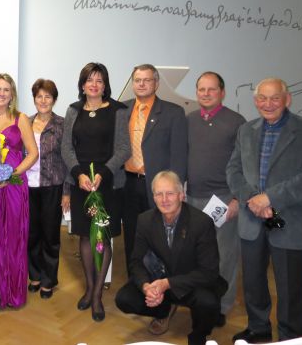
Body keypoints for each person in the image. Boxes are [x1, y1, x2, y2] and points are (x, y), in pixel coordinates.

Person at [227, 77, 302, 342]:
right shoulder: (245, 130)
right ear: (255, 101)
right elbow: (233, 170)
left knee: (290, 288)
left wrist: (270, 198)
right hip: (252, 220)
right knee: (253, 283)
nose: (268, 104)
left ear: (287, 99)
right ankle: (258, 329)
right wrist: (253, 199)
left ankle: (290, 338)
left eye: (275, 98)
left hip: (290, 221)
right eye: (262, 98)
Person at [115, 171, 227, 345]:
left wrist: (167, 283)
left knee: (208, 302)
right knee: (124, 299)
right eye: (159, 194)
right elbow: (136, 261)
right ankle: (163, 311)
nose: (164, 199)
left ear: (181, 195)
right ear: (153, 197)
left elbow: (209, 272)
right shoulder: (145, 220)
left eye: (170, 193)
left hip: (189, 283)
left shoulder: (201, 223)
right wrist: (146, 287)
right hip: (159, 281)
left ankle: (198, 335)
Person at [61, 62, 130, 322]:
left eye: (99, 80)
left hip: (107, 183)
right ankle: (89, 288)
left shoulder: (118, 110)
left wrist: (104, 173)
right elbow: (66, 148)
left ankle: (99, 294)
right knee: (84, 235)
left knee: (103, 237)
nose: (94, 84)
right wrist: (79, 174)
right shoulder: (73, 110)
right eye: (89, 80)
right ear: (82, 85)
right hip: (81, 183)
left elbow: (124, 148)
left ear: (105, 85)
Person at [186, 71, 246, 327]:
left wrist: (237, 200)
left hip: (222, 200)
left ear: (222, 92)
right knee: (195, 256)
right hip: (192, 198)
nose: (206, 93)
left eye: (212, 89)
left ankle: (221, 306)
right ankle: (200, 302)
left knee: (224, 256)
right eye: (202, 89)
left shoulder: (236, 122)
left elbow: (246, 164)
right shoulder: (189, 120)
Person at [0, 73, 39, 308]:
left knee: (13, 237)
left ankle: (13, 292)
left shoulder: (20, 118)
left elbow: (33, 153)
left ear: (12, 94)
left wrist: (11, 175)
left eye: (6, 89)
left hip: (14, 186)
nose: (2, 93)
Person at [121, 64, 188, 278]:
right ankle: (136, 280)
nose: (142, 84)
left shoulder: (173, 112)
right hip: (127, 183)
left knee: (160, 236)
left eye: (147, 80)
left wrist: (175, 190)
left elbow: (179, 155)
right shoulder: (122, 110)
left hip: (158, 186)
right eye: (138, 80)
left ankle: (160, 282)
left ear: (156, 83)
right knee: (131, 235)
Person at [26, 79, 66, 300]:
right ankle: (34, 275)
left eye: (47, 96)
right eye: (39, 96)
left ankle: (48, 279)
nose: (43, 100)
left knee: (50, 235)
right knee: (31, 234)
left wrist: (67, 192)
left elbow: (69, 158)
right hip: (27, 187)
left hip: (53, 186)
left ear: (54, 99)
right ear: (34, 99)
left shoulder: (62, 124)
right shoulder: (25, 122)